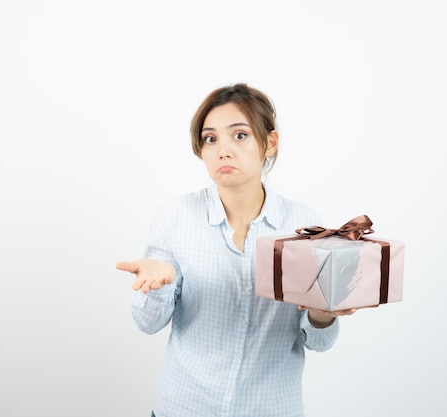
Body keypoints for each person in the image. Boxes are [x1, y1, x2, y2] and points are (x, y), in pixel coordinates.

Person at [116, 83, 357, 417]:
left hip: (271, 408)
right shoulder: (176, 215)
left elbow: (319, 341)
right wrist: (156, 287)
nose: (223, 150)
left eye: (239, 135)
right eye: (210, 138)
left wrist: (324, 311)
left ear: (269, 143)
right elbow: (147, 322)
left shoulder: (303, 224)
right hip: (184, 407)